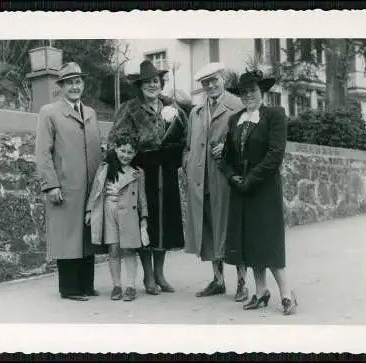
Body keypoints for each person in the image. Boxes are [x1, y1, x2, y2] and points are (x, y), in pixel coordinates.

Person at [220, 69, 298, 315]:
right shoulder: (235, 120)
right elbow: (226, 157)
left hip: (263, 186)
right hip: (241, 187)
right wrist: (232, 176)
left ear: (262, 91)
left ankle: (287, 294)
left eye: (252, 90)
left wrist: (250, 180)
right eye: (243, 92)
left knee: (268, 240)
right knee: (250, 240)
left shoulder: (275, 115)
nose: (248, 95)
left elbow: (275, 154)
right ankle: (261, 291)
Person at [107, 60, 188, 295]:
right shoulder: (130, 109)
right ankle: (148, 276)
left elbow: (184, 137)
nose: (152, 85)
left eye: (155, 80)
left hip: (167, 170)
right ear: (140, 86)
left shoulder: (171, 107)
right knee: (145, 220)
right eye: (147, 82)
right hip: (143, 170)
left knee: (164, 222)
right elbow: (115, 140)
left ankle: (161, 274)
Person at [35, 62, 106, 301]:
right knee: (67, 236)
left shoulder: (91, 113)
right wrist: (51, 184)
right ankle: (69, 288)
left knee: (88, 235)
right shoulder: (49, 112)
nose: (75, 86)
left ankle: (87, 285)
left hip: (90, 186)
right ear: (61, 87)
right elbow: (43, 152)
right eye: (69, 83)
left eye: (78, 82)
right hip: (65, 185)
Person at [182, 62, 248, 302]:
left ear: (223, 78)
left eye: (214, 80)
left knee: (232, 231)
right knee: (208, 229)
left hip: (226, 180)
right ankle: (218, 280)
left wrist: (229, 148)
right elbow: (188, 147)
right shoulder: (196, 113)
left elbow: (249, 142)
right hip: (201, 182)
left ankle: (242, 282)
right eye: (205, 82)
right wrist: (188, 169)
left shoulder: (238, 106)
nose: (210, 85)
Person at [85, 133, 149, 302]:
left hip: (129, 213)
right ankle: (116, 286)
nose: (125, 155)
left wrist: (144, 218)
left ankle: (131, 286)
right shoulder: (106, 168)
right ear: (115, 149)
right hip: (108, 212)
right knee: (113, 249)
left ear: (135, 154)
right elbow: (96, 191)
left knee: (128, 249)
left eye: (130, 152)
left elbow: (142, 197)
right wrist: (89, 211)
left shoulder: (137, 173)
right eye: (122, 151)